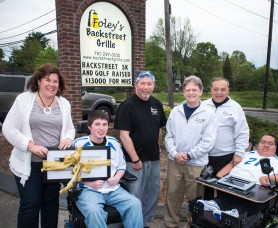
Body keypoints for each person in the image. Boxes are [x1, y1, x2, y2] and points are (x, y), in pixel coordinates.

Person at [2, 64, 75, 228]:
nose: (52, 84)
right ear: (39, 81)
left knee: (51, 205)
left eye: (55, 81)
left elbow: (69, 128)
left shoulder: (64, 104)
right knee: (30, 205)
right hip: (30, 163)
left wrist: (68, 138)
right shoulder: (24, 100)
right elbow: (8, 128)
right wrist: (30, 146)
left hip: (54, 163)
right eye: (47, 80)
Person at [72, 110, 143, 228]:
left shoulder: (114, 143)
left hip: (113, 189)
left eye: (104, 124)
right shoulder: (79, 144)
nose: (101, 128)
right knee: (94, 211)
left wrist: (117, 177)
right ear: (89, 126)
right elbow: (71, 171)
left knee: (134, 204)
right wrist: (89, 183)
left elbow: (121, 166)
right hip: (88, 189)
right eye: (97, 124)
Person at [114, 71, 167, 227]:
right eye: (142, 83)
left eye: (149, 84)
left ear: (153, 86)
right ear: (136, 85)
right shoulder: (127, 106)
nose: (146, 87)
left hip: (153, 158)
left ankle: (145, 222)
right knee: (135, 195)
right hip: (134, 161)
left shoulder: (157, 104)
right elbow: (124, 135)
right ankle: (131, 224)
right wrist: (135, 159)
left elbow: (159, 130)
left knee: (153, 193)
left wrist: (158, 150)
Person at [164, 75, 217, 228]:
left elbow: (208, 141)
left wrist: (189, 155)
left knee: (195, 198)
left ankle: (193, 224)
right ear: (183, 92)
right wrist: (174, 154)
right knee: (173, 195)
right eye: (188, 90)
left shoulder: (208, 114)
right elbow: (169, 136)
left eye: (195, 89)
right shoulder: (176, 111)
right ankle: (171, 224)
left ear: (201, 92)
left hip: (196, 164)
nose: (191, 93)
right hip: (175, 162)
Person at [197, 134, 278, 219]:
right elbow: (233, 163)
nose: (266, 145)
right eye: (263, 142)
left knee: (250, 202)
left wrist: (266, 178)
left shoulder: (276, 161)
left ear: (275, 147)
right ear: (259, 144)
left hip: (252, 190)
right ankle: (215, 204)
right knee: (223, 196)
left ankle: (234, 213)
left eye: (270, 143)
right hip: (231, 182)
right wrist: (219, 175)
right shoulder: (248, 154)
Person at [202, 77, 249, 199]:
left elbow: (242, 132)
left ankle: (224, 215)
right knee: (206, 190)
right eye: (215, 89)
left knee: (225, 191)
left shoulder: (235, 107)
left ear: (228, 90)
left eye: (223, 89)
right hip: (204, 156)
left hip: (226, 157)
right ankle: (206, 215)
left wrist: (239, 153)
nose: (219, 92)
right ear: (210, 90)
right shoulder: (203, 106)